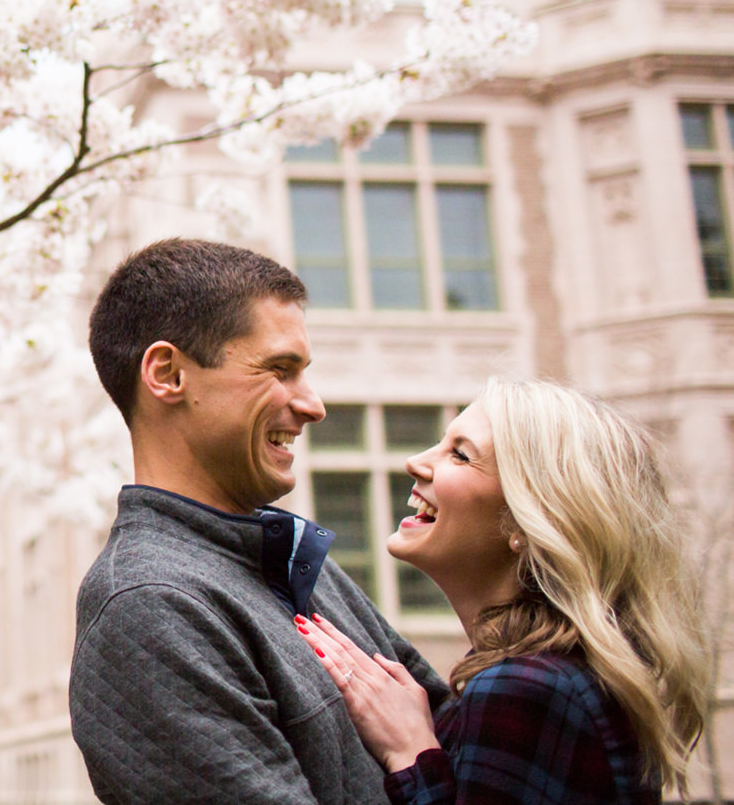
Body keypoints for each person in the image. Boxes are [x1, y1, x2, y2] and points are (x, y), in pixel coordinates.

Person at [71, 238, 449, 805]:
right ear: (168, 374)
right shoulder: (151, 606)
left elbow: (460, 738)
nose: (313, 405)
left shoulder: (292, 563)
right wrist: (416, 760)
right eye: (280, 369)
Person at [296, 378, 710, 805]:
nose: (416, 461)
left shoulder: (527, 688)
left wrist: (411, 755)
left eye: (460, 454)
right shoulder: (558, 675)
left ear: (526, 519)